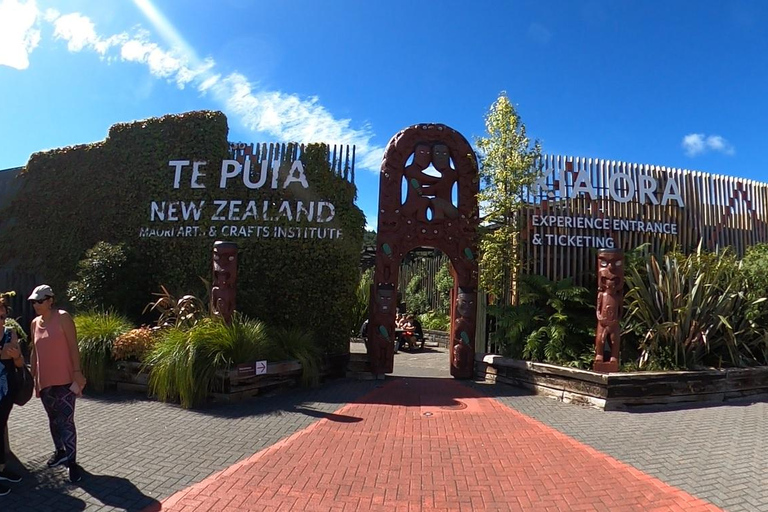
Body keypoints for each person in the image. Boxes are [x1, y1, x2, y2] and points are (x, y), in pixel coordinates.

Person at [28, 285, 86, 483]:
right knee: (53, 419)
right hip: (46, 382)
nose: (36, 304)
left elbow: (73, 347)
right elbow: (35, 352)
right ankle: (60, 452)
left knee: (66, 420)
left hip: (65, 380)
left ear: (50, 300)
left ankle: (72, 462)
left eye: (40, 300)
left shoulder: (63, 317)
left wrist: (77, 373)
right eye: (34, 301)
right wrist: (33, 376)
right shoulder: (35, 323)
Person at [0, 292, 24, 496]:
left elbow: (20, 363)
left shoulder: (9, 332)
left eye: (2, 316)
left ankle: (2, 468)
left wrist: (16, 356)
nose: (0, 320)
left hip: (6, 390)